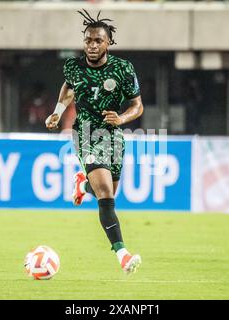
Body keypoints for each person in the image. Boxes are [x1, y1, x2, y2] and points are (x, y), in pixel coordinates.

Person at [45, 10, 144, 274]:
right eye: (88, 40)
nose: (92, 45)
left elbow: (137, 106)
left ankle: (82, 184)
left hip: (113, 135)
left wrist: (121, 119)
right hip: (86, 133)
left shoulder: (123, 69)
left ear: (108, 43)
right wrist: (57, 111)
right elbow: (68, 89)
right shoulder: (73, 66)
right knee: (106, 195)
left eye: (98, 40)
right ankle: (122, 254)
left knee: (108, 191)